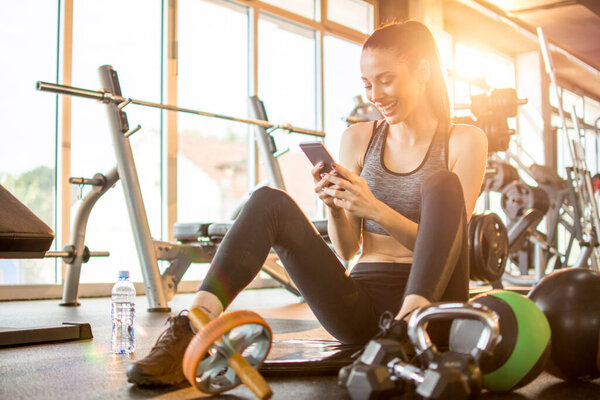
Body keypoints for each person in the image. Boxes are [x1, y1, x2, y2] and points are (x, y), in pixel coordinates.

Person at [127, 20, 487, 386]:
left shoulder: (464, 141)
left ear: (423, 71)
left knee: (441, 182)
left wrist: (375, 209)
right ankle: (193, 326)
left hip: (433, 311)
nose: (375, 94)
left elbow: (450, 248)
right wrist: (336, 202)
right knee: (269, 201)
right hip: (363, 306)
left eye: (386, 79)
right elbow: (349, 249)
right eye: (367, 84)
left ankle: (406, 328)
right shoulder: (359, 138)